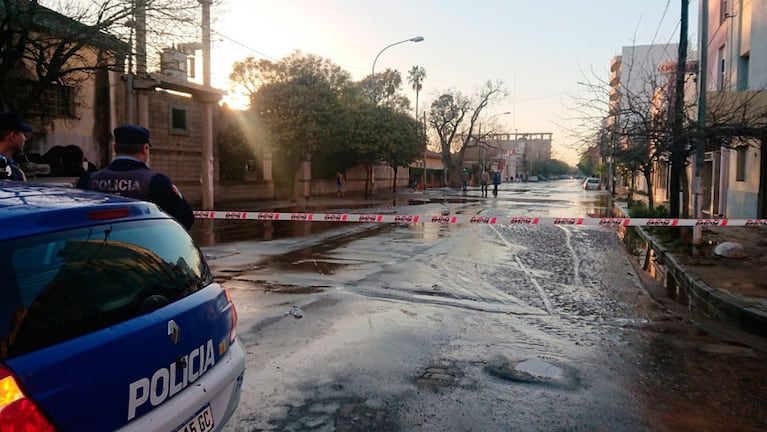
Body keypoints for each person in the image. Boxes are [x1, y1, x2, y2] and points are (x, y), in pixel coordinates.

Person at [77, 125, 194, 230]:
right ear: (144, 149)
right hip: (143, 248)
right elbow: (185, 219)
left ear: (115, 148)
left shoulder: (89, 180)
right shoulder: (157, 182)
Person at [0, 112, 33, 181]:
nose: (25, 138)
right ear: (13, 136)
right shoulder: (16, 173)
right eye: (23, 134)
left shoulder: (14, 170)